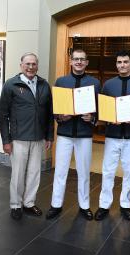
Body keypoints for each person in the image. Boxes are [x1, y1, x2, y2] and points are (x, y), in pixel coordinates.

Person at [94, 50, 130, 221]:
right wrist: (108, 119)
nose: (122, 65)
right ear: (116, 64)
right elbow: (102, 109)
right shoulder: (108, 85)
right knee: (108, 171)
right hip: (112, 135)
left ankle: (125, 204)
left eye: (125, 62)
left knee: (128, 171)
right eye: (119, 62)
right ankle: (104, 205)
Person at [46, 49, 101, 220]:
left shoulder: (94, 83)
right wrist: (60, 117)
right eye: (75, 59)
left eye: (82, 59)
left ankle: (84, 205)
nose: (78, 62)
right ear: (70, 61)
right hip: (65, 134)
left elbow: (100, 109)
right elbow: (54, 109)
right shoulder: (61, 81)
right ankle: (56, 204)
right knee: (60, 171)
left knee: (84, 171)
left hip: (84, 134)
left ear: (86, 62)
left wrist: (92, 118)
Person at [0, 52, 54, 220]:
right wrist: (6, 140)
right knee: (18, 174)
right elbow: (3, 115)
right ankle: (15, 204)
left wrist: (49, 136)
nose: (31, 67)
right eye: (27, 64)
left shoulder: (44, 85)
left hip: (38, 138)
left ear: (37, 65)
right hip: (18, 139)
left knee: (34, 173)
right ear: (21, 65)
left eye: (34, 64)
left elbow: (49, 113)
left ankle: (29, 203)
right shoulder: (11, 85)